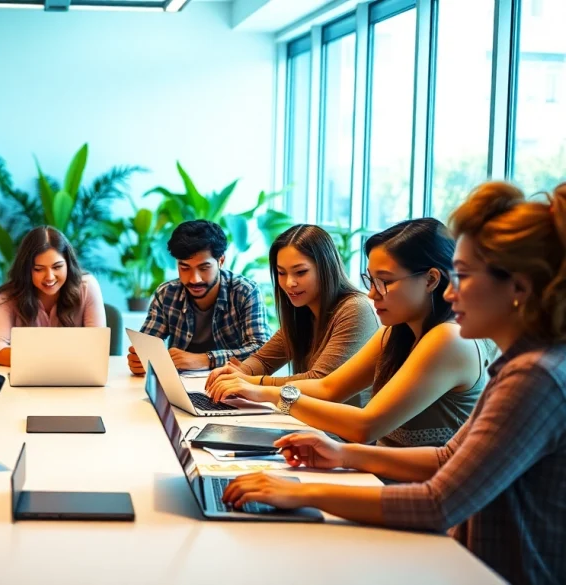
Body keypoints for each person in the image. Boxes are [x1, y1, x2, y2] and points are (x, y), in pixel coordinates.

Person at [223, 181, 566, 585]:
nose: (453, 293)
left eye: (465, 276)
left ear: (518, 288)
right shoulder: (516, 364)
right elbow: (445, 458)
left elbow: (437, 503)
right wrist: (342, 454)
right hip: (466, 557)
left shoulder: (532, 376)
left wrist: (300, 492)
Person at [208, 218, 493, 446]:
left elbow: (364, 426)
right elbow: (329, 388)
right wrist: (251, 387)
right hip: (378, 476)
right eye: (370, 279)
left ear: (431, 279)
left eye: (385, 281)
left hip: (411, 495)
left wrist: (265, 393)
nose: (372, 293)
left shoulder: (448, 339)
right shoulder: (397, 332)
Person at [206, 225, 378, 406]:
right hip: (312, 425)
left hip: (340, 432)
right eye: (281, 273)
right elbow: (263, 360)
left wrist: (250, 383)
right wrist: (241, 372)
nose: (289, 283)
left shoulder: (356, 309)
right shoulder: (303, 310)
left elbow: (318, 381)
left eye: (301, 272)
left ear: (326, 268)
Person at [127, 219, 270, 375]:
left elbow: (262, 351)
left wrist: (205, 359)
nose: (195, 279)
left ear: (221, 261)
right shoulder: (167, 294)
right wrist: (140, 359)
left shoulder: (245, 292)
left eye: (204, 267)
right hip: (179, 386)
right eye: (185, 268)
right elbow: (147, 345)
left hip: (232, 385)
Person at [0, 226, 106, 366]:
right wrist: (43, 361)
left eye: (57, 267)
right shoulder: (9, 295)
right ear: (26, 270)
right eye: (38, 269)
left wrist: (40, 358)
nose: (49, 277)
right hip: (29, 376)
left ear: (68, 264)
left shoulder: (87, 286)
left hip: (74, 376)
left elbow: (97, 346)